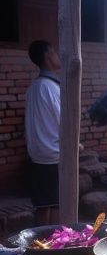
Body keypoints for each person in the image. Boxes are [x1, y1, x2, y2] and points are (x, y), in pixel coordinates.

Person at [24, 40, 61, 225]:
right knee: (55, 205)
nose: (57, 55)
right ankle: (54, 246)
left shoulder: (33, 87)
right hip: (52, 155)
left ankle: (41, 243)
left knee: (43, 205)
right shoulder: (51, 87)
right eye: (54, 52)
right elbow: (64, 122)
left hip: (38, 154)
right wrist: (75, 144)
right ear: (47, 57)